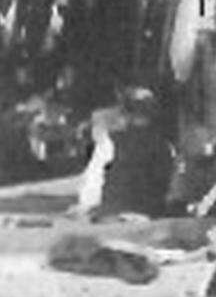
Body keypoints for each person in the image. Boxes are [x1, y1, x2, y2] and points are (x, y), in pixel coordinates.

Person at [72, 85, 175, 219]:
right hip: (148, 214)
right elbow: (168, 185)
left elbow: (94, 182)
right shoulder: (164, 145)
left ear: (125, 114)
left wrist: (87, 206)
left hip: (114, 213)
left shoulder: (110, 141)